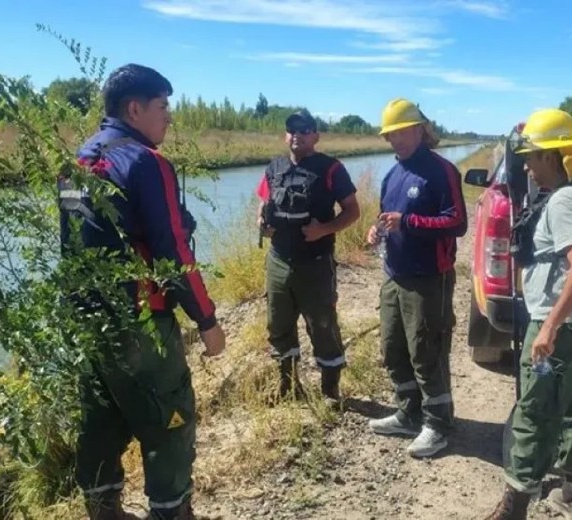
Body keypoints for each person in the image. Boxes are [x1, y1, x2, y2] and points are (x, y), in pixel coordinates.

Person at [61, 64, 226, 520]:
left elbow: (78, 243)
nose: (169, 117)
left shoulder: (76, 161)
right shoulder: (145, 162)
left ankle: (103, 509)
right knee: (169, 422)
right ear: (134, 108)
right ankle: (173, 512)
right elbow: (172, 252)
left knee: (101, 417)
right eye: (163, 106)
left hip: (91, 320)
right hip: (140, 322)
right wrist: (206, 320)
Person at [484, 108, 572, 520]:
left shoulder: (564, 202)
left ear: (554, 158)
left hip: (561, 326)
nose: (527, 165)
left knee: (534, 413)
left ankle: (513, 508)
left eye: (533, 156)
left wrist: (549, 327)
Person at [365, 98, 467, 458]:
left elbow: (457, 223)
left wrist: (409, 223)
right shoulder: (394, 174)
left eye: (403, 132)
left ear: (421, 129)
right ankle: (409, 413)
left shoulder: (441, 171)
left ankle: (438, 424)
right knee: (393, 349)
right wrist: (376, 231)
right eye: (390, 135)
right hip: (394, 274)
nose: (397, 140)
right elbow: (385, 216)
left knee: (427, 352)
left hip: (429, 278)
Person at [256, 109, 360, 409]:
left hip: (315, 261)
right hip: (278, 261)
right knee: (279, 325)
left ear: (316, 135)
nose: (297, 135)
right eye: (291, 130)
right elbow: (262, 205)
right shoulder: (273, 167)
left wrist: (323, 230)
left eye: (304, 130)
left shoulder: (331, 169)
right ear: (285, 135)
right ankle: (288, 385)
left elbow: (353, 211)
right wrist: (261, 225)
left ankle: (330, 391)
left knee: (323, 325)